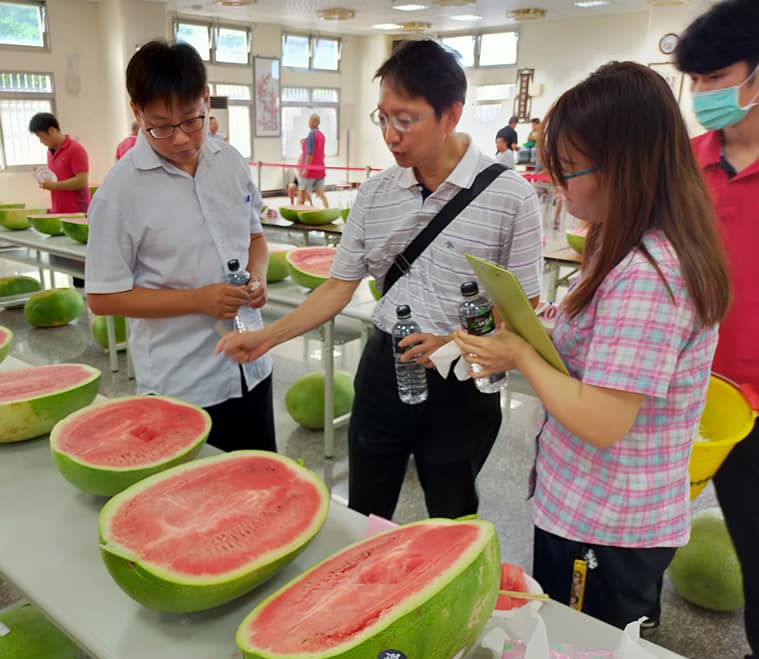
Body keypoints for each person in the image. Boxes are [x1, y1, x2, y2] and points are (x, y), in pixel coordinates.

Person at [454, 62, 730, 632]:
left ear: (624, 167)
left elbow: (603, 419)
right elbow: (598, 341)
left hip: (607, 525)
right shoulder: (627, 246)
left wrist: (521, 354)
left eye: (569, 170)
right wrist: (534, 322)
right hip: (589, 506)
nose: (558, 185)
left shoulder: (651, 274)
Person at [218, 39, 543, 520]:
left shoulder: (511, 197)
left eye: (406, 119)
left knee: (451, 513)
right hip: (384, 368)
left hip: (462, 387)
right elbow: (337, 285)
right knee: (366, 508)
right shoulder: (374, 193)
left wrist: (451, 347)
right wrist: (267, 337)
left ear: (451, 115)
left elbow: (521, 311)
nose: (391, 134)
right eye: (383, 117)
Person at [86, 40, 276, 453]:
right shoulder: (120, 192)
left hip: (252, 366)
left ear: (206, 100)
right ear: (136, 112)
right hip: (183, 382)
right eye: (161, 126)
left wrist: (257, 275)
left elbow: (255, 238)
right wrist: (197, 299)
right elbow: (102, 297)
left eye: (193, 120)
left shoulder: (229, 161)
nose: (180, 139)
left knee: (259, 485)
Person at [675, 2, 759, 659]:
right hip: (676, 399)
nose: (705, 91)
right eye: (696, 78)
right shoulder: (685, 165)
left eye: (718, 76)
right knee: (638, 545)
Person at [29, 112, 90, 288]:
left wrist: (53, 186)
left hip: (78, 212)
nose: (41, 141)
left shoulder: (76, 150)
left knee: (82, 266)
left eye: (41, 137)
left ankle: (90, 301)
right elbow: (57, 178)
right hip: (60, 211)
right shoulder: (51, 151)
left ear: (52, 130)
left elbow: (82, 181)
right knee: (69, 264)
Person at [299, 113, 328, 208]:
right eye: (309, 120)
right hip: (320, 170)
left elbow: (309, 153)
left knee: (301, 195)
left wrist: (306, 169)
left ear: (316, 122)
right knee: (321, 194)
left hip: (310, 171)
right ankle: (327, 211)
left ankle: (299, 216)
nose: (309, 122)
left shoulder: (312, 134)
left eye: (311, 120)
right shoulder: (322, 136)